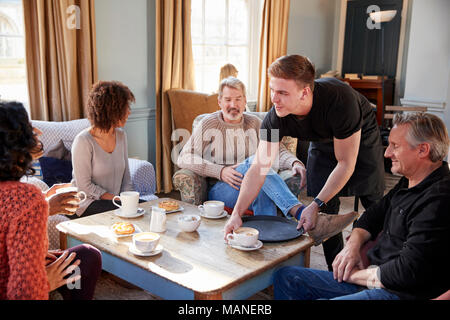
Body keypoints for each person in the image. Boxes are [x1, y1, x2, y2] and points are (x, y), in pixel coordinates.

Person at [224, 55, 384, 270]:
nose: (274, 98)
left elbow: (346, 162)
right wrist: (236, 214)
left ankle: (385, 263)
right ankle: (335, 269)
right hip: (320, 140)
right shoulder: (275, 117)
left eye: (282, 92)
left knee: (374, 199)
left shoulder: (340, 100)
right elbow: (259, 168)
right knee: (326, 209)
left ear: (305, 92)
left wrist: (315, 203)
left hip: (359, 137)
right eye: (272, 90)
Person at [273, 112, 450, 300]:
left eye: (395, 146)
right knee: (288, 277)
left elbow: (406, 272)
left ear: (422, 150)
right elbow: (372, 215)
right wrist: (353, 246)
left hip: (399, 293)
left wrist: (354, 276)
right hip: (373, 277)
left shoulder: (440, 199)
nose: (387, 153)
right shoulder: (411, 180)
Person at [178, 77, 355, 240]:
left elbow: (277, 150)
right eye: (228, 99)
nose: (234, 104)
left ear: (245, 101)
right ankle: (301, 213)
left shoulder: (254, 122)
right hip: (222, 189)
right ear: (219, 102)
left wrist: (294, 161)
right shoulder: (209, 123)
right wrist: (220, 171)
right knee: (256, 163)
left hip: (252, 184)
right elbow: (184, 157)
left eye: (238, 99)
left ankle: (268, 236)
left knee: (258, 173)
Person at [0, 101, 102, 300]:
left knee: (80, 257)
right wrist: (45, 281)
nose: (36, 132)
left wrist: (33, 256)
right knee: (86, 257)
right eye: (29, 130)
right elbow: (23, 292)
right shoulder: (25, 198)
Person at [71, 80, 140, 217]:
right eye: (125, 108)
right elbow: (84, 187)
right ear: (111, 111)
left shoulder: (121, 136)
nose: (129, 113)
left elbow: (126, 179)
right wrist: (117, 199)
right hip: (86, 204)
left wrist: (131, 199)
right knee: (123, 213)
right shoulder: (83, 141)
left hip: (114, 201)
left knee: (146, 208)